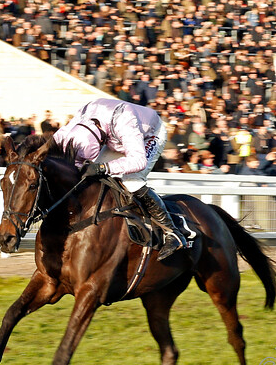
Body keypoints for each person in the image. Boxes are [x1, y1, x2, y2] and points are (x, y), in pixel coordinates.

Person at [53, 98, 194, 260]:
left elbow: (138, 161)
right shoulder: (85, 112)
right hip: (113, 136)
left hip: (149, 135)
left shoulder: (125, 122)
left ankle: (173, 233)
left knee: (131, 179)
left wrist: (102, 168)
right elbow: (59, 136)